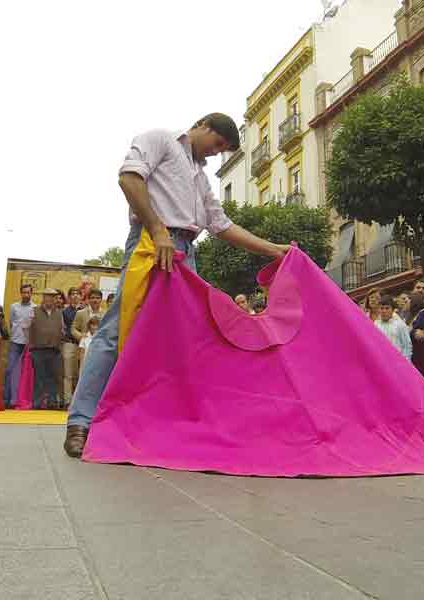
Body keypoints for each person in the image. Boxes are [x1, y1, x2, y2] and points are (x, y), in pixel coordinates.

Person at [64, 113, 290, 457]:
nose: (216, 154)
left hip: (186, 252)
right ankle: (80, 421)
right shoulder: (160, 139)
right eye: (216, 145)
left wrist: (274, 250)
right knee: (116, 329)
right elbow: (128, 178)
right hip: (153, 245)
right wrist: (157, 230)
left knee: (187, 341)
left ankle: (166, 423)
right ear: (202, 126)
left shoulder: (200, 176)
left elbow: (221, 224)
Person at [29, 288, 64, 409]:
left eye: (53, 297)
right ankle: (37, 403)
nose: (50, 299)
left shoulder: (59, 312)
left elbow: (62, 329)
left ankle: (52, 402)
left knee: (53, 377)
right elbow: (26, 328)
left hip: (54, 349)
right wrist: (31, 345)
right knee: (39, 376)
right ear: (43, 298)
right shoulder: (34, 310)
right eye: (48, 296)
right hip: (38, 349)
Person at [4, 284, 35, 408]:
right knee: (10, 370)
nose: (26, 295)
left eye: (28, 292)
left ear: (31, 293)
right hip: (16, 342)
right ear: (20, 293)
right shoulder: (13, 307)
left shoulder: (35, 308)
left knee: (26, 373)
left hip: (29, 344)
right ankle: (7, 400)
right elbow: (11, 323)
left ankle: (22, 400)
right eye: (24, 292)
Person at [61, 287, 82, 406]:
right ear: (69, 297)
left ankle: (78, 401)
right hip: (69, 344)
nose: (75, 296)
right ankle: (67, 400)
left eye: (77, 294)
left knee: (80, 373)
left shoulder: (85, 310)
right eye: (72, 294)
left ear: (81, 296)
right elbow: (62, 328)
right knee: (68, 374)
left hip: (83, 345)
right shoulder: (64, 311)